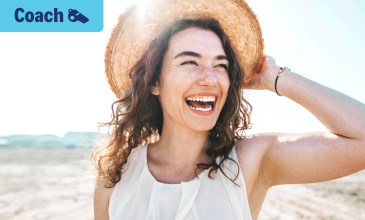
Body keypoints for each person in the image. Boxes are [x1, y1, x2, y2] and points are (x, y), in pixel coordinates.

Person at [92, 0, 365, 219]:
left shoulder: (250, 161)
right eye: (190, 62)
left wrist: (275, 77)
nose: (210, 79)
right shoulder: (116, 176)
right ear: (154, 82)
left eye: (221, 65)